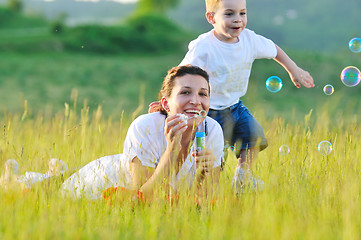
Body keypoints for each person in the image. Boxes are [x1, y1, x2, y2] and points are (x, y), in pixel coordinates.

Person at [178, 0, 314, 191]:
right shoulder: (203, 47)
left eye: (242, 13)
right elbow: (180, 74)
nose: (238, 20)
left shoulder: (249, 40)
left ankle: (243, 176)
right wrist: (167, 102)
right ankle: (203, 194)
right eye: (229, 14)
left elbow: (274, 50)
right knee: (211, 159)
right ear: (211, 18)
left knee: (254, 138)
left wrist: (293, 69)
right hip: (207, 114)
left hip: (235, 106)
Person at [61, 65, 224, 200]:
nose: (195, 101)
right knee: (46, 184)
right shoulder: (144, 126)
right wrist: (171, 151)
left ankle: (58, 170)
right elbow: (143, 197)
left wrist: (204, 174)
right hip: (96, 186)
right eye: (185, 92)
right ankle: (57, 172)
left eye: (203, 94)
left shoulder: (212, 130)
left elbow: (204, 202)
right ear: (166, 105)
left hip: (162, 199)